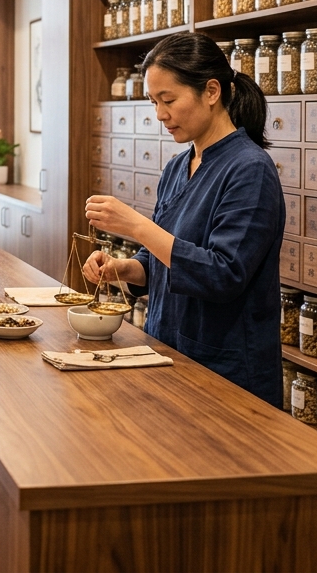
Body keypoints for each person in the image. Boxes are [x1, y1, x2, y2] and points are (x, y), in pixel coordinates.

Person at [81, 33, 284, 406]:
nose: (160, 114)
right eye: (154, 101)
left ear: (211, 91)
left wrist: (136, 226)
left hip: (227, 370)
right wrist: (124, 268)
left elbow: (224, 274)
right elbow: (163, 257)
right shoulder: (179, 166)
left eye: (168, 100)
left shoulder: (250, 169)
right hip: (168, 349)